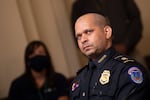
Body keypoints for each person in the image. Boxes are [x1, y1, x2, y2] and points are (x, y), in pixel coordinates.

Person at [69, 13, 150, 100]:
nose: (83, 40)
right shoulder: (79, 79)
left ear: (107, 32)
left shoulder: (126, 70)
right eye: (79, 36)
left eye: (88, 32)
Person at [71, 0, 143, 55]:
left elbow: (136, 20)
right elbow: (77, 34)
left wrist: (126, 44)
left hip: (130, 51)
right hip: (100, 58)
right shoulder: (79, 5)